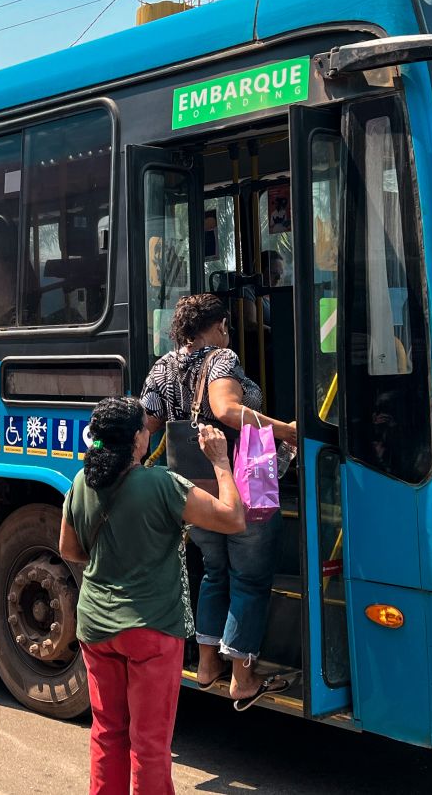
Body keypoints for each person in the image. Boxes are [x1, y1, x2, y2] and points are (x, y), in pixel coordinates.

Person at [59, 396, 245, 795]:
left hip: (95, 627)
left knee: (107, 733)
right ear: (138, 441)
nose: (149, 432)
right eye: (146, 428)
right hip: (152, 630)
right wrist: (220, 461)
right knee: (150, 745)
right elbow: (233, 518)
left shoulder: (80, 484)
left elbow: (70, 550)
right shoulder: (161, 484)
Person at [140, 293, 298, 707]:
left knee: (214, 573)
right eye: (225, 326)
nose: (227, 332)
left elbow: (148, 423)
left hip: (190, 491)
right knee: (249, 578)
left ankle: (208, 666)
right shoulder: (222, 359)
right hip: (239, 487)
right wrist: (286, 430)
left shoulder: (163, 366)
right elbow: (226, 410)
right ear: (218, 326)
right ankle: (242, 678)